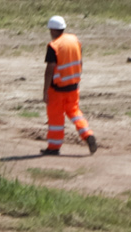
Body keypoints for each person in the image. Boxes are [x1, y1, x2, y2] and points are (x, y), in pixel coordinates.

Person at [41, 14, 95, 155]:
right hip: (73, 87)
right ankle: (88, 134)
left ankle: (53, 147)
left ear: (52, 30)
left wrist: (45, 90)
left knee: (56, 118)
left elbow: (49, 70)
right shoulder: (74, 40)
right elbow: (80, 61)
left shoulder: (54, 46)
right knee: (75, 113)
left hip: (57, 89)